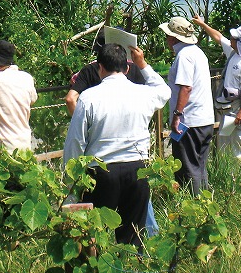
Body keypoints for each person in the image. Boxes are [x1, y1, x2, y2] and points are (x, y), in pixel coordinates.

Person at [63, 44, 171, 247]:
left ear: (100, 68)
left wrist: (72, 182)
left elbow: (75, 142)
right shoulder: (143, 93)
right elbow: (164, 91)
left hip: (100, 172)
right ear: (127, 69)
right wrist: (143, 64)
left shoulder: (88, 98)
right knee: (133, 237)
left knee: (93, 236)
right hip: (137, 170)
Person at [159, 16, 215, 195]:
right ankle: (206, 206)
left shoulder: (184, 56)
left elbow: (186, 87)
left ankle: (193, 208)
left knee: (188, 169)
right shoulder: (198, 52)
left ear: (173, 37)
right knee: (200, 167)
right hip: (204, 120)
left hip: (188, 122)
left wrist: (177, 115)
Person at [192, 16, 241, 158]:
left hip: (239, 109)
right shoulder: (234, 52)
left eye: (233, 38)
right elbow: (218, 37)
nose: (230, 40)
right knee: (226, 149)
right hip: (227, 109)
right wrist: (203, 24)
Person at [65, 29, 145, 116]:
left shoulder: (89, 69)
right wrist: (142, 63)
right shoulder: (135, 68)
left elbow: (70, 98)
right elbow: (151, 94)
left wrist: (82, 124)